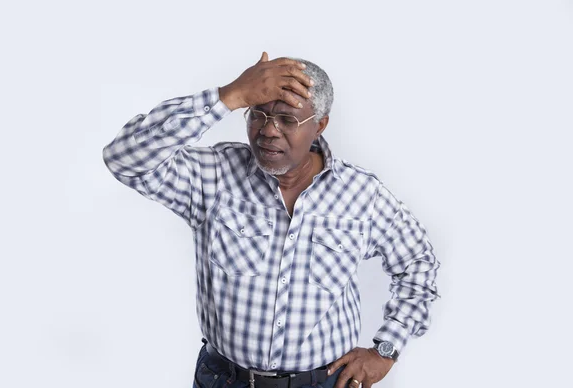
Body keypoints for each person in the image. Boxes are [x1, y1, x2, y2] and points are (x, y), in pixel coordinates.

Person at [102, 52, 441, 388]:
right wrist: (229, 95)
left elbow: (418, 262)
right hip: (224, 380)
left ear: (320, 125)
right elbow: (125, 158)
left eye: (287, 120)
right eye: (257, 114)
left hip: (323, 383)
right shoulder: (215, 176)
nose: (268, 131)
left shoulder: (362, 194)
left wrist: (385, 350)